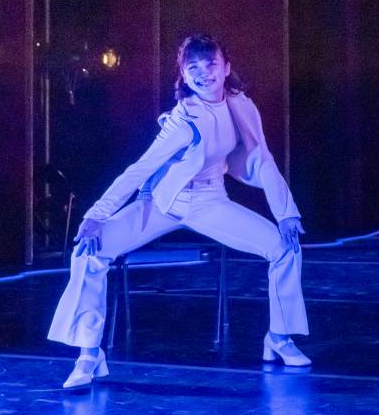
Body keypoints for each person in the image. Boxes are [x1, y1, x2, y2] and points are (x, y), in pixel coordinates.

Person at [48, 34, 310, 388]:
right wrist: (95, 216)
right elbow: (139, 169)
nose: (203, 74)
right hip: (162, 203)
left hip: (209, 202)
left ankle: (278, 339)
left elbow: (262, 158)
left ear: (226, 67)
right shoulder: (183, 120)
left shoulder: (240, 105)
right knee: (88, 252)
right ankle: (89, 354)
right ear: (184, 76)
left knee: (284, 247)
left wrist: (286, 212)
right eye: (193, 68)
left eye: (210, 65)